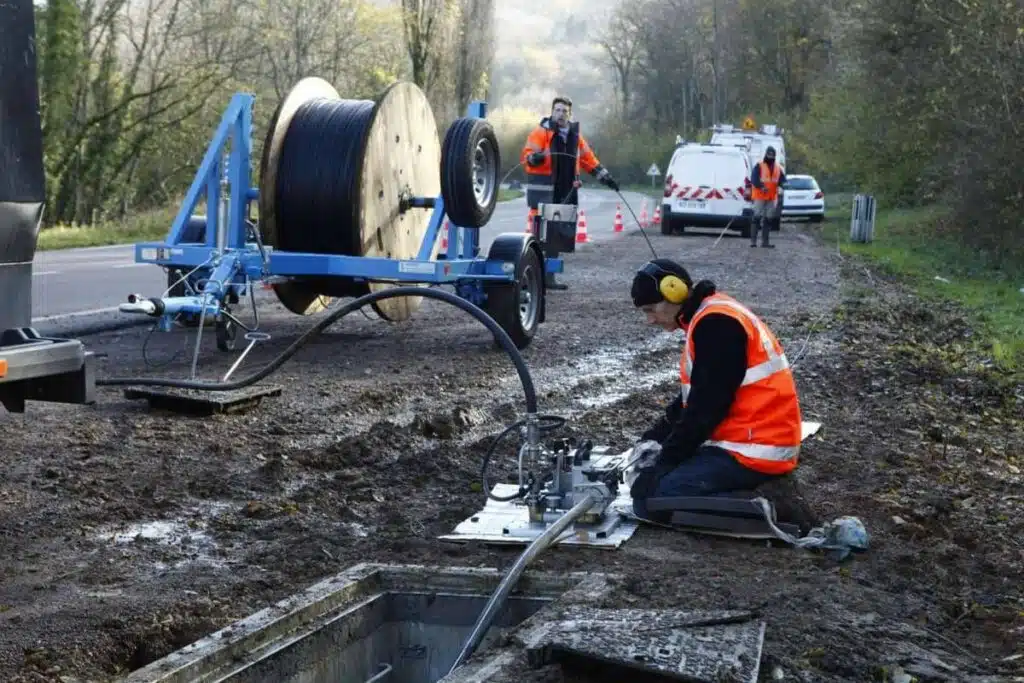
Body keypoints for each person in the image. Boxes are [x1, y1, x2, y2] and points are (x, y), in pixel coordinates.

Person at [627, 259, 803, 521]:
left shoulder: (717, 325)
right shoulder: (710, 316)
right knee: (655, 487)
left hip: (753, 451)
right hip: (746, 442)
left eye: (651, 310)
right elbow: (693, 398)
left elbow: (705, 409)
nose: (650, 320)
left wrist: (664, 464)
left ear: (674, 292)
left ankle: (769, 506)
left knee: (651, 501)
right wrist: (654, 437)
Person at [521, 96, 619, 289]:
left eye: (564, 111)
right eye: (557, 110)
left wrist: (607, 178)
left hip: (566, 192)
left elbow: (589, 161)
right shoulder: (540, 133)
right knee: (539, 236)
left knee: (557, 237)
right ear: (552, 112)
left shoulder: (576, 137)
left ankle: (549, 279)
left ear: (570, 114)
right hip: (544, 192)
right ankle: (533, 278)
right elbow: (526, 157)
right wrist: (536, 158)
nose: (560, 114)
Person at [749, 146, 786, 248]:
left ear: (774, 156)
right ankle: (753, 242)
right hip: (759, 196)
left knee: (768, 219)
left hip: (771, 197)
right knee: (756, 217)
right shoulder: (759, 166)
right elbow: (754, 179)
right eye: (769, 155)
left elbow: (782, 180)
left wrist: (785, 185)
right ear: (766, 155)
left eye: (772, 155)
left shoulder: (778, 169)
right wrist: (761, 186)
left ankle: (765, 242)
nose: (770, 157)